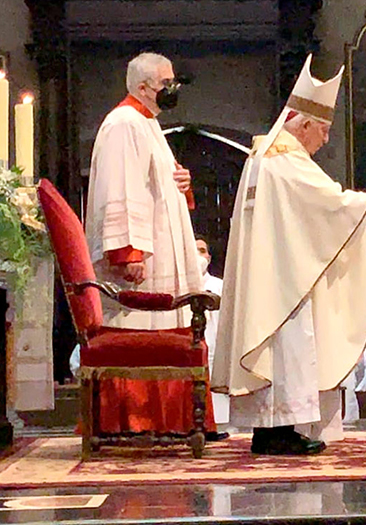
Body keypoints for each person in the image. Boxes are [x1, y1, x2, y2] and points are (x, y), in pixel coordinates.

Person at [211, 54, 366, 455]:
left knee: (282, 349)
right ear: (302, 124)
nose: (327, 139)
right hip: (284, 278)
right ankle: (278, 430)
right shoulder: (286, 160)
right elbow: (327, 204)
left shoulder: (262, 155)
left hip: (274, 270)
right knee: (290, 344)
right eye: (324, 129)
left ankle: (273, 429)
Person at [85, 52, 218, 437]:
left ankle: (179, 420)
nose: (173, 90)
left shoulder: (147, 124)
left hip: (161, 251)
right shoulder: (124, 124)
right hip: (142, 261)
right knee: (144, 331)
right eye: (167, 83)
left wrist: (183, 185)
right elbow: (121, 190)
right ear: (143, 87)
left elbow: (155, 185)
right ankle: (141, 422)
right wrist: (128, 252)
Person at [196, 236, 230, 428]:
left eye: (201, 251)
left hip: (216, 344)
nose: (198, 256)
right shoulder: (180, 285)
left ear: (209, 257)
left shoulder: (221, 286)